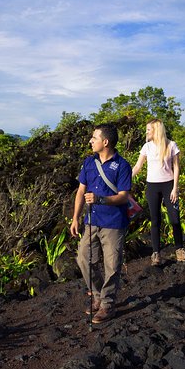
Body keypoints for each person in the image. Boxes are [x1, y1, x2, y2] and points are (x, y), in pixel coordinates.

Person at [70, 123, 132, 324]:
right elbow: (81, 191)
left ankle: (107, 304)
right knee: (83, 258)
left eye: (94, 138)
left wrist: (101, 199)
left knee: (112, 265)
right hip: (91, 221)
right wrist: (75, 218)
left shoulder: (122, 165)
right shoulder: (89, 163)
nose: (90, 141)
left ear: (105, 142)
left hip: (114, 222)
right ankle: (97, 294)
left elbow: (123, 197)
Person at [131, 119, 185, 266]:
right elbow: (138, 166)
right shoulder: (146, 147)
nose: (146, 132)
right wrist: (125, 178)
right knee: (155, 219)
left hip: (169, 185)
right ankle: (156, 253)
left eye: (149, 129)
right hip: (152, 186)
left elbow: (176, 168)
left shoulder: (171, 145)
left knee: (175, 218)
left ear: (156, 130)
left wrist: (175, 188)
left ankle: (180, 250)